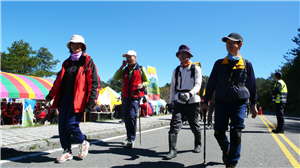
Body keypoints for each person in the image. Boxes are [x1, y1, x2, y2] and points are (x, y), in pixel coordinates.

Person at [201, 33, 258, 168]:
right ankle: (225, 148)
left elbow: (252, 85)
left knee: (236, 131)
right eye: (227, 43)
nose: (229, 45)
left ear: (240, 45)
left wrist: (254, 103)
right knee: (218, 131)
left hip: (239, 102)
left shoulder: (246, 64)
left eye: (233, 43)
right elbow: (211, 83)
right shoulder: (219, 63)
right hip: (221, 101)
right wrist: (205, 101)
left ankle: (231, 162)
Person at [46, 35, 100, 163]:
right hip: (64, 98)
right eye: (72, 44)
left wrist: (91, 101)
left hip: (79, 100)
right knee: (62, 126)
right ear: (70, 46)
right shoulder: (66, 63)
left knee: (71, 125)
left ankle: (83, 141)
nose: (75, 46)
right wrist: (50, 96)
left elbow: (94, 84)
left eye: (78, 44)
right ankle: (67, 151)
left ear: (82, 46)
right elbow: (58, 81)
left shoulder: (88, 62)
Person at [164, 44, 202, 160]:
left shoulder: (196, 68)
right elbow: (173, 87)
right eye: (180, 54)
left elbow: (198, 85)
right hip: (179, 100)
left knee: (193, 124)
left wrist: (190, 94)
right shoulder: (176, 70)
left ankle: (198, 144)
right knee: (174, 124)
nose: (181, 56)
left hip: (193, 101)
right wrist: (170, 102)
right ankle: (172, 150)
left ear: (189, 55)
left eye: (184, 54)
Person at [113, 50, 150, 148]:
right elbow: (115, 78)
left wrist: (142, 84)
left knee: (132, 116)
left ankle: (132, 138)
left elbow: (147, 81)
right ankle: (128, 137)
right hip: (125, 96)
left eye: (130, 57)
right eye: (127, 57)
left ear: (135, 57)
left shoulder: (141, 69)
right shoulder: (124, 70)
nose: (128, 59)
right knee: (126, 117)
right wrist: (121, 66)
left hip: (136, 96)